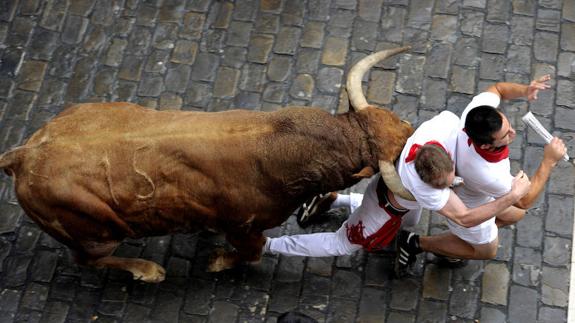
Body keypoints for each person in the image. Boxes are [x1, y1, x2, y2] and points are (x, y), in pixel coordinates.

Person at [264, 111, 531, 263]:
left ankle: (333, 202)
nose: (455, 181)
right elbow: (465, 217)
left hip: (392, 195)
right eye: (452, 180)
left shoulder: (445, 123)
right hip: (382, 212)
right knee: (341, 245)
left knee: (410, 223)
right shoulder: (428, 188)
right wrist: (513, 195)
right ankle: (269, 246)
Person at [394, 75, 568, 275]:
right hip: (470, 207)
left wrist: (524, 90)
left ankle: (457, 243)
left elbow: (498, 88)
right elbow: (525, 200)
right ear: (485, 145)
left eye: (507, 125)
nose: (512, 132)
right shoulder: (488, 174)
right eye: (505, 135)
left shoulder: (473, 115)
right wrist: (549, 161)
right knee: (487, 250)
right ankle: (415, 243)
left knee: (515, 215)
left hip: (472, 188)